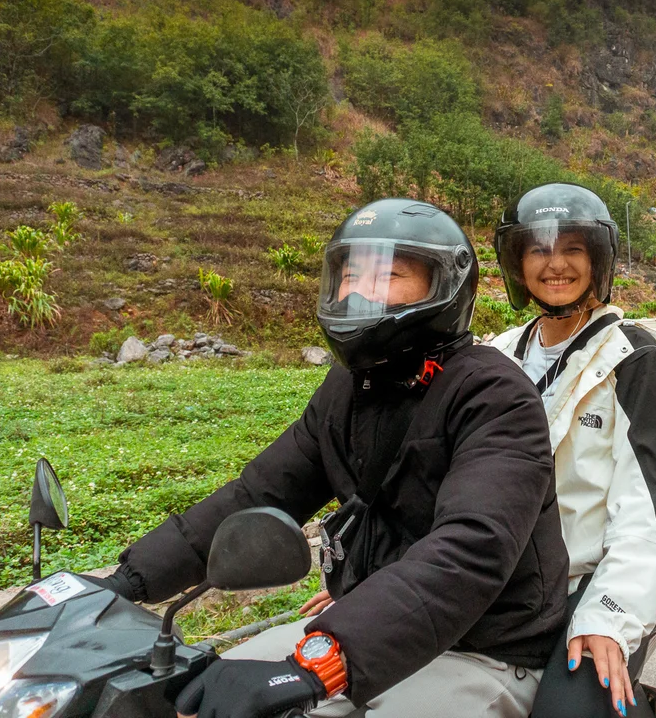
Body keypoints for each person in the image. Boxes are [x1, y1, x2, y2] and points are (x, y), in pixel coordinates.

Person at [93, 199, 570, 718]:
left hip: (484, 649)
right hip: (371, 626)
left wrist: (324, 660)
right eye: (349, 274)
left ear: (445, 286)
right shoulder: (348, 388)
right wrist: (125, 583)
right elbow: (256, 495)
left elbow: (472, 549)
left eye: (387, 274)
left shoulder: (496, 396)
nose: (358, 292)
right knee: (194, 703)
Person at [490, 183, 656, 718]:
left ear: (598, 259)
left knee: (569, 711)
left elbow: (650, 509)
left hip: (590, 579)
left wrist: (609, 615)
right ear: (517, 262)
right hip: (501, 580)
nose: (555, 264)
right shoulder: (498, 355)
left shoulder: (632, 357)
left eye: (573, 249)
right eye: (538, 249)